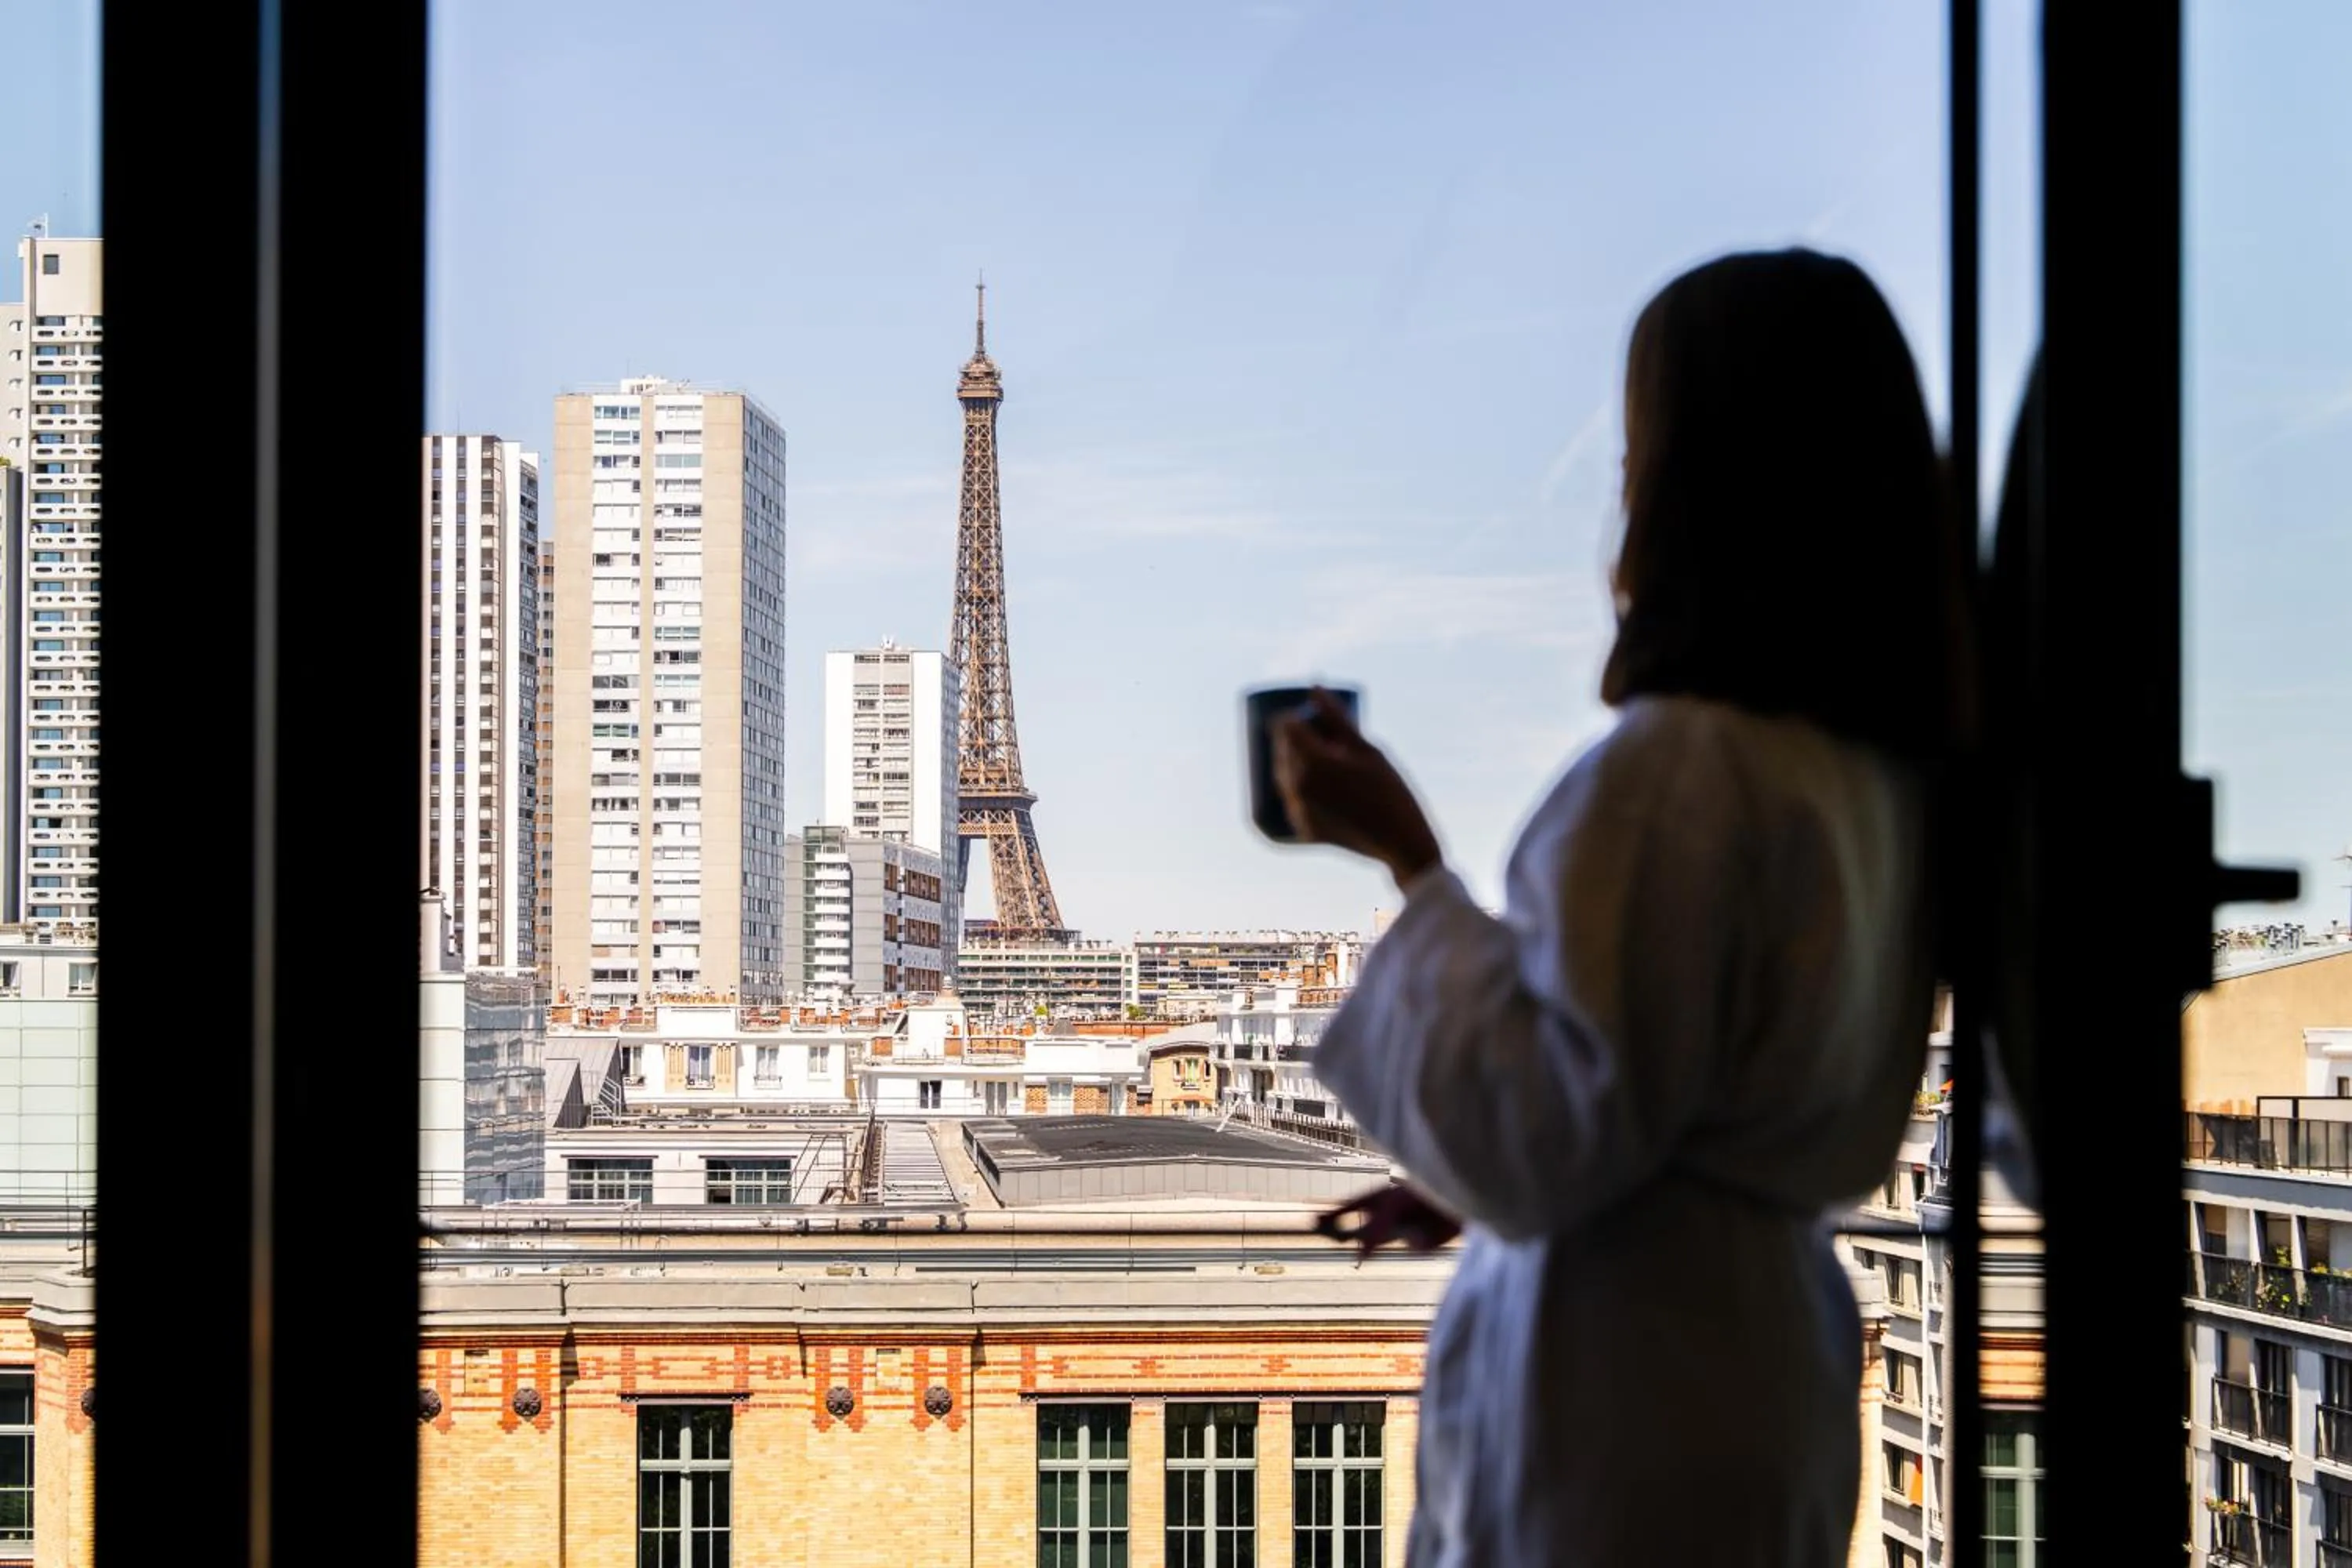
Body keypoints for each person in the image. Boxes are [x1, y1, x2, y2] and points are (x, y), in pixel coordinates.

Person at [1273, 247, 1971, 1566]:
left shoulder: (1682, 773)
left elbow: (1549, 1124)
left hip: (1624, 1407)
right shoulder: (1873, 786)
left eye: (1634, 460)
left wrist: (1408, 861)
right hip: (1752, 1370)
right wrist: (1500, 1195)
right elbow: (1691, 1093)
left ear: (1689, 493)